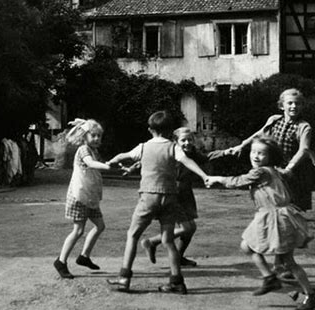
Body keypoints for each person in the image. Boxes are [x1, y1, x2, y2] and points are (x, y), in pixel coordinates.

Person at [205, 136, 315, 310]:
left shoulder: (261, 172)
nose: (256, 156)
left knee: (288, 262)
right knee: (248, 246)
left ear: (270, 156)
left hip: (277, 218)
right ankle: (271, 278)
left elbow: (238, 181)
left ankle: (309, 294)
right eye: (253, 152)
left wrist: (217, 178)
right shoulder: (272, 170)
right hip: (270, 216)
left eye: (261, 153)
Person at [106, 111, 209, 294]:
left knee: (133, 235)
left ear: (150, 129)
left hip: (148, 197)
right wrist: (204, 176)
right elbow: (186, 161)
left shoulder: (144, 147)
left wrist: (110, 162)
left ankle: (124, 278)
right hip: (170, 197)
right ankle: (177, 282)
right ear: (170, 131)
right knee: (168, 240)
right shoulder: (173, 147)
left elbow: (124, 155)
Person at [139, 127, 231, 267]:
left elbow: (207, 157)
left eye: (190, 140)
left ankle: (179, 257)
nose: (187, 143)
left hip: (186, 194)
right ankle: (152, 242)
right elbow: (151, 160)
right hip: (174, 194)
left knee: (190, 228)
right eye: (183, 140)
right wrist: (132, 168)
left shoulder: (193, 153)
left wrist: (225, 152)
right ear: (176, 141)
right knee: (187, 228)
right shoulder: (172, 153)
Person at [53, 118, 112, 279]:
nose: (97, 139)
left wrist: (115, 163)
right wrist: (107, 166)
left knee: (100, 226)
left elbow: (98, 164)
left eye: (99, 136)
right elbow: (91, 164)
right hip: (79, 195)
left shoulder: (94, 151)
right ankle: (61, 261)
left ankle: (84, 257)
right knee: (78, 230)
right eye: (93, 135)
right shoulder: (83, 150)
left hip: (89, 195)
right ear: (84, 136)